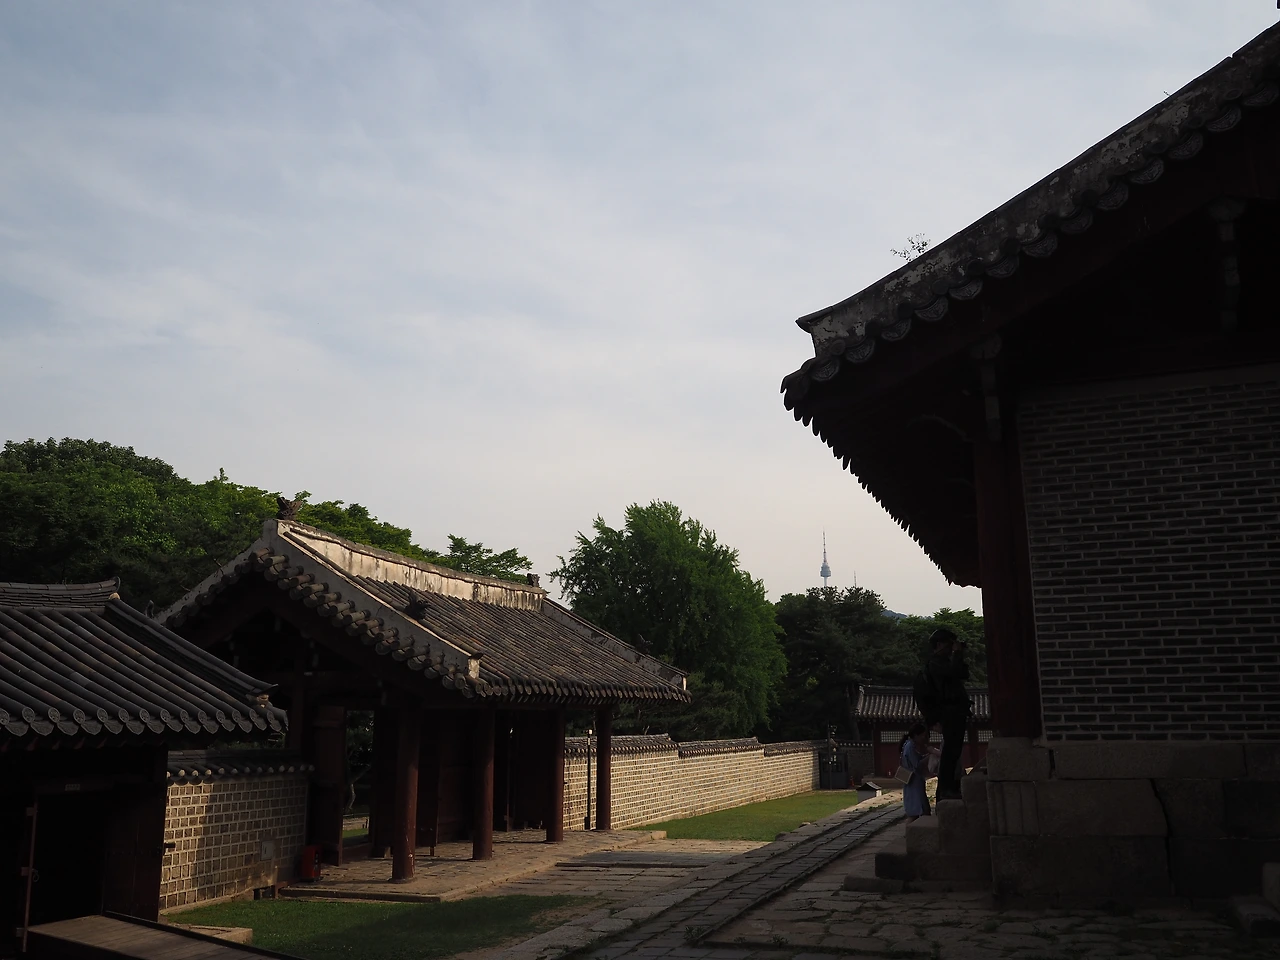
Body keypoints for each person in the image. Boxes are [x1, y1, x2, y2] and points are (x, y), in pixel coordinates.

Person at [925, 627, 969, 801]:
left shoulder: (946, 662)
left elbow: (963, 673)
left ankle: (950, 787)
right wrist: (957, 655)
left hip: (956, 710)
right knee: (950, 752)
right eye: (949, 644)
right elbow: (953, 673)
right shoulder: (935, 663)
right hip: (948, 711)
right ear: (939, 644)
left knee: (954, 750)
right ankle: (946, 788)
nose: (951, 648)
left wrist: (959, 656)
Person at [898, 722, 940, 822]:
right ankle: (910, 829)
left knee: (920, 810)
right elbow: (917, 765)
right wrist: (930, 755)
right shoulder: (910, 746)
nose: (924, 738)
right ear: (916, 735)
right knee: (915, 812)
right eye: (923, 736)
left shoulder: (910, 745)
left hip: (916, 781)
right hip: (913, 782)